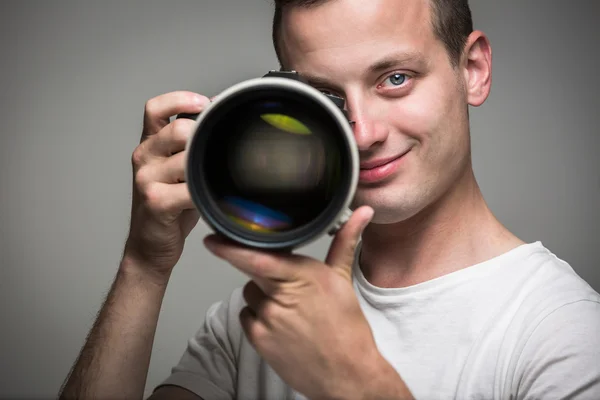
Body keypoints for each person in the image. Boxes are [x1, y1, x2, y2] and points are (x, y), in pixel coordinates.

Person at [58, 0, 600, 399]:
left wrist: (359, 382)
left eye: (395, 78)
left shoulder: (563, 333)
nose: (362, 133)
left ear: (473, 70)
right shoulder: (262, 319)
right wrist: (144, 266)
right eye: (328, 99)